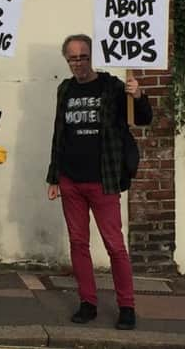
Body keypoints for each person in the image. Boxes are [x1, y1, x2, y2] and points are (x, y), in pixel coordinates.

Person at [46, 34, 153, 330]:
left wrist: (139, 95)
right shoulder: (64, 89)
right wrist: (54, 176)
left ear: (92, 56)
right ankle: (88, 303)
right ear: (66, 60)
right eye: (72, 58)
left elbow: (143, 119)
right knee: (79, 244)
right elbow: (59, 135)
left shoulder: (112, 86)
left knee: (115, 246)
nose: (78, 63)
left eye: (82, 57)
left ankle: (127, 306)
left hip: (103, 180)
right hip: (71, 181)